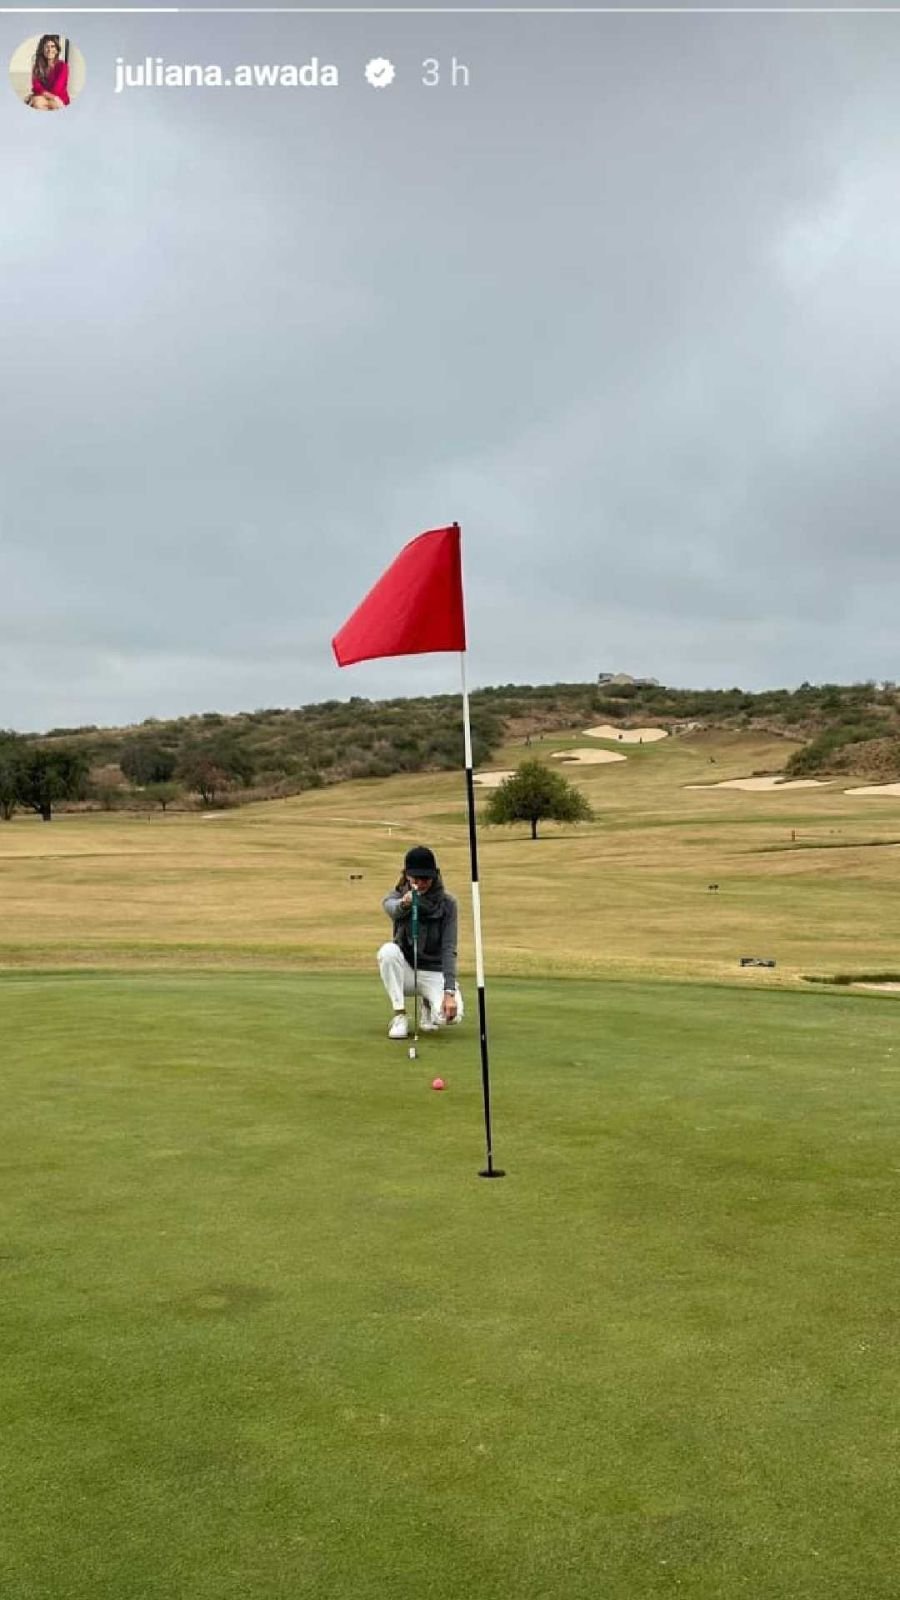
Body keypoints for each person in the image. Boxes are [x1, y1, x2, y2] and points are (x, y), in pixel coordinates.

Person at [377, 845, 464, 1040]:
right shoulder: (398, 896)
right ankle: (400, 1015)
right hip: (407, 971)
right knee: (387, 952)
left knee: (451, 1017)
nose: (421, 883)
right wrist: (405, 903)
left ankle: (428, 1005)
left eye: (426, 878)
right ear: (407, 876)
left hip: (434, 971)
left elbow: (449, 948)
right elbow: (390, 907)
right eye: (416, 879)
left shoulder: (448, 903)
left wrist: (449, 991)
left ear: (435, 876)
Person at [26, 36, 70, 110]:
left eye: (52, 46)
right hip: (46, 97)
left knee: (37, 102)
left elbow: (56, 90)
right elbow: (36, 87)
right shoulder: (37, 66)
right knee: (34, 101)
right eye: (47, 47)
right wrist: (47, 96)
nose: (49, 49)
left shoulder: (63, 66)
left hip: (59, 99)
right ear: (42, 50)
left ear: (56, 50)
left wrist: (43, 95)